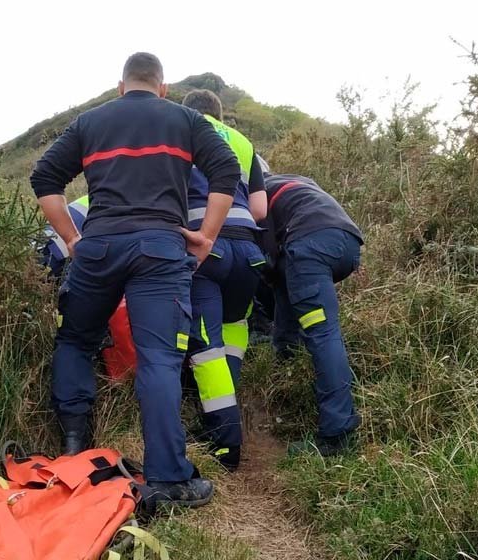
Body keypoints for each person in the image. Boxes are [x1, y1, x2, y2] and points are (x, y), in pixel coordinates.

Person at [30, 52, 240, 509]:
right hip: (160, 250)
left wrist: (72, 239)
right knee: (160, 360)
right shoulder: (185, 119)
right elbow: (227, 171)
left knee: (76, 339)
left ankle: (73, 445)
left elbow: (44, 177)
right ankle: (169, 480)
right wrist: (205, 237)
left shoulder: (90, 122)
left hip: (100, 246)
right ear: (162, 87)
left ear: (121, 86)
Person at [180, 89, 267, 471]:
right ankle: (228, 408)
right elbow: (261, 207)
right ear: (219, 112)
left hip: (204, 245)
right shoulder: (245, 143)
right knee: (234, 328)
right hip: (248, 249)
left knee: (206, 348)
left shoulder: (182, 129)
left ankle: (224, 444)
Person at [260, 172, 364, 456]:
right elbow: (279, 273)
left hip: (309, 245)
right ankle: (288, 371)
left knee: (321, 332)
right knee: (288, 291)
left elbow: (265, 257)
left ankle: (337, 434)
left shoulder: (257, 191)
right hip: (347, 243)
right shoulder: (296, 181)